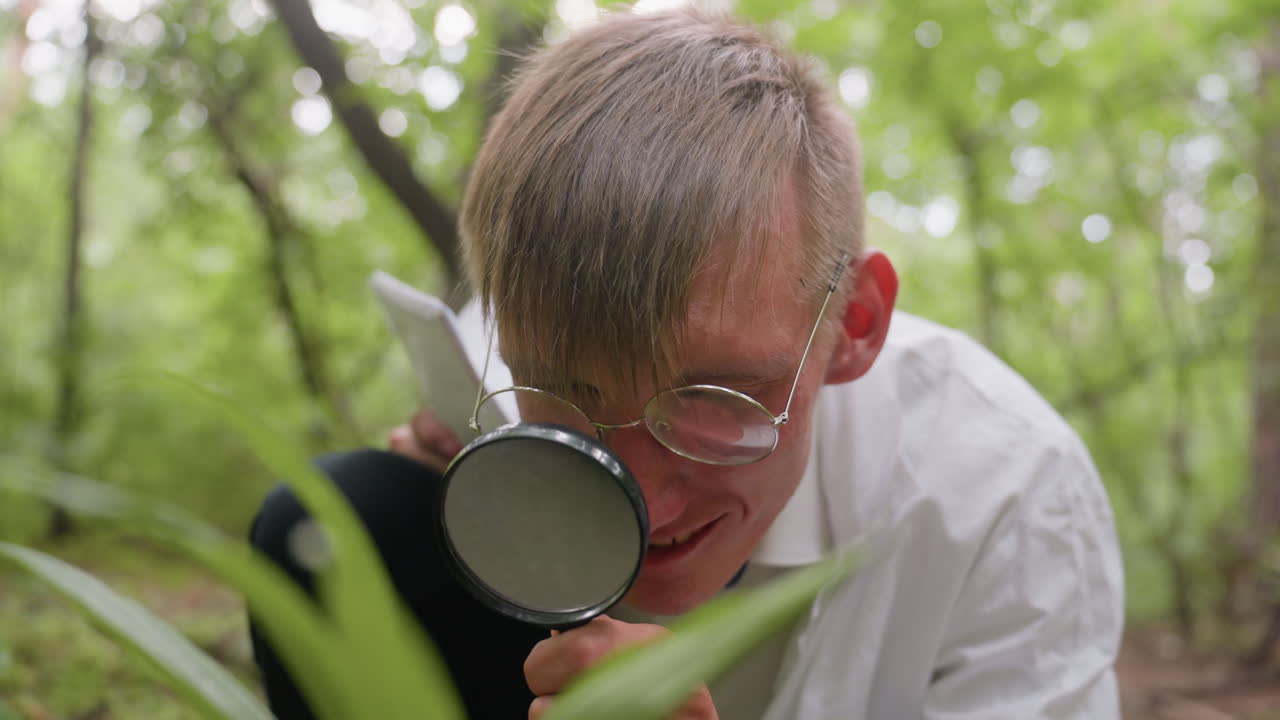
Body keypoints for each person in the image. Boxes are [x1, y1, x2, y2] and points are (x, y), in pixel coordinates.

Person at [251, 7, 1124, 719]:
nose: (643, 501)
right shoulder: (511, 337)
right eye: (568, 392)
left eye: (719, 396)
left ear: (854, 325)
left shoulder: (1010, 497)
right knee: (347, 515)